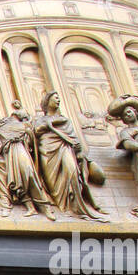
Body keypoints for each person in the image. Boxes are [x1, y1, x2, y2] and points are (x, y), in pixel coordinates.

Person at [33, 90, 108, 221]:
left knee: (71, 171)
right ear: (47, 101)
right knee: (52, 180)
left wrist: (78, 150)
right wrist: (49, 125)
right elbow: (37, 131)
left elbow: (73, 137)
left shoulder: (65, 120)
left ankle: (76, 206)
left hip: (65, 148)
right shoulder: (41, 120)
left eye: (58, 98)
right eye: (55, 98)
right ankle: (61, 206)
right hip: (47, 150)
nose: (58, 100)